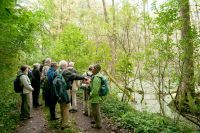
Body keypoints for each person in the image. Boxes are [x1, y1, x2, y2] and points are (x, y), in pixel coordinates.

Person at [60, 60, 88, 129]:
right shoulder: (65, 71)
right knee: (65, 106)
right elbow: (74, 76)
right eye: (66, 65)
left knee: (62, 105)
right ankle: (65, 123)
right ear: (65, 65)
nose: (67, 66)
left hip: (60, 90)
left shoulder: (59, 70)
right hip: (64, 90)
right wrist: (83, 77)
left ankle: (63, 120)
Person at [89, 64, 102, 129]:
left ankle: (98, 125)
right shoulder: (97, 76)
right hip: (96, 97)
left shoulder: (96, 78)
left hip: (95, 97)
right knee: (96, 110)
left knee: (96, 111)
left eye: (93, 68)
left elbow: (95, 90)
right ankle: (97, 123)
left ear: (96, 69)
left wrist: (91, 95)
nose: (92, 69)